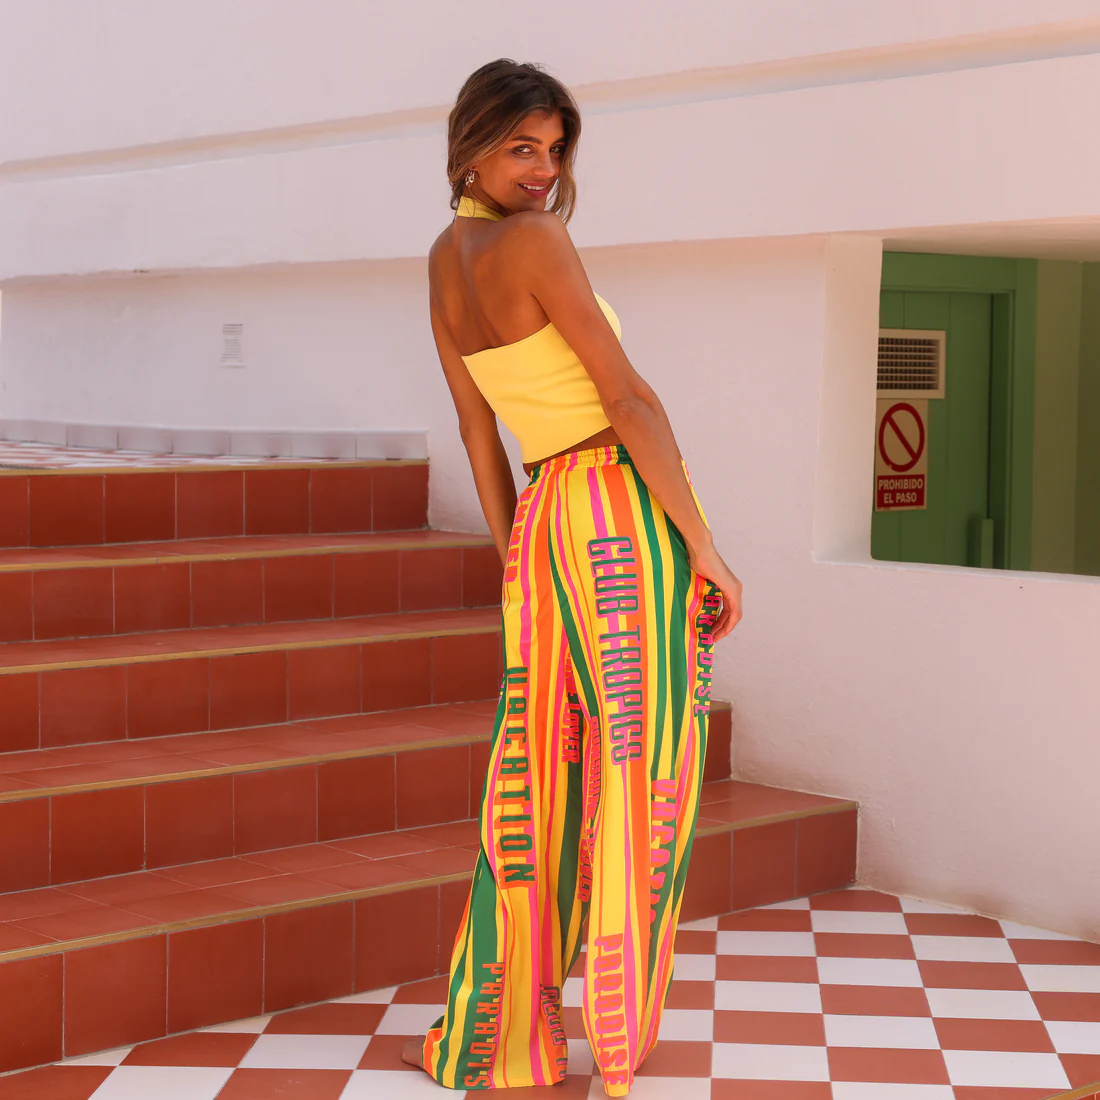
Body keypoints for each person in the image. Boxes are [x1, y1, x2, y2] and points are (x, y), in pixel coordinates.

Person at [401, 58, 743, 1097]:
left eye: (553, 149)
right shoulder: (539, 241)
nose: (543, 170)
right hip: (619, 510)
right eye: (521, 148)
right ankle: (617, 1036)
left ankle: (499, 1034)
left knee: (534, 771)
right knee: (648, 763)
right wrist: (704, 545)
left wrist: (517, 554)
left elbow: (479, 433)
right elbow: (626, 400)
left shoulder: (442, 260)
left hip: (547, 518)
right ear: (469, 145)